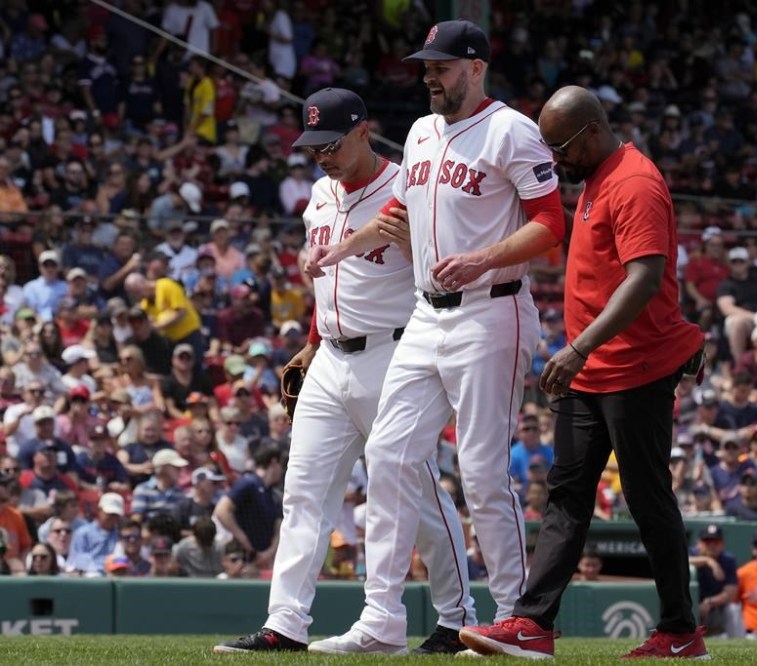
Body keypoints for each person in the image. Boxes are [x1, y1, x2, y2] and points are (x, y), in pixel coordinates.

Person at [305, 23, 565, 655]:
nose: (428, 76)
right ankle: (381, 619)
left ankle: (518, 618)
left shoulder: (511, 130)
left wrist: (483, 258)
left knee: (480, 471)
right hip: (427, 315)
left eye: (441, 66)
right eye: (426, 66)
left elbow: (551, 226)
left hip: (491, 309)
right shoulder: (422, 131)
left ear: (475, 69)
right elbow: (399, 217)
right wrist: (343, 247)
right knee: (389, 457)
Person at [215, 88, 476, 656]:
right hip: (331, 357)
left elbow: (447, 272)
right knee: (304, 493)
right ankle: (285, 623)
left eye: (331, 143)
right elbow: (325, 284)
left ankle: (458, 618)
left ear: (364, 131)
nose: (322, 156)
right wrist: (310, 346)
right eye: (313, 146)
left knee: (416, 490)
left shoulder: (410, 184)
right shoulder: (318, 195)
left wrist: (423, 246)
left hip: (396, 353)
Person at [459, 85, 707, 659]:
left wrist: (577, 349)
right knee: (567, 493)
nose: (554, 160)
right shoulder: (599, 176)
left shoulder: (635, 182)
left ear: (592, 131)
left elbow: (644, 279)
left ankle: (680, 631)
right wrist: (581, 355)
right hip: (595, 368)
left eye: (560, 147)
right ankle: (532, 623)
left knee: (647, 498)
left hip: (634, 365)